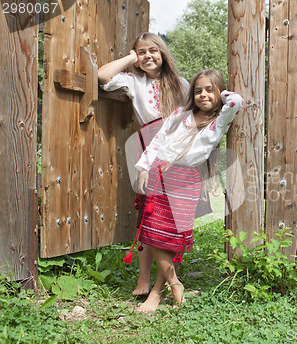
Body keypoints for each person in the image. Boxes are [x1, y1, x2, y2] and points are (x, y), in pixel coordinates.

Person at [134, 69, 243, 312]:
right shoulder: (179, 115)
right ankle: (174, 283)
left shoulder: (217, 122)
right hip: (159, 175)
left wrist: (221, 93)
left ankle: (158, 290)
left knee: (170, 237)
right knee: (153, 232)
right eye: (198, 90)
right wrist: (143, 167)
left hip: (185, 180)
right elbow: (158, 141)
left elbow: (236, 101)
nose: (203, 94)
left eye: (209, 90)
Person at [98, 32, 191, 297]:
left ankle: (169, 280)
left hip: (176, 150)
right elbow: (102, 76)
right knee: (148, 214)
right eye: (142, 52)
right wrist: (130, 57)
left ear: (163, 54)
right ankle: (143, 280)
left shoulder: (181, 84)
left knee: (169, 216)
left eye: (154, 50)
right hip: (149, 147)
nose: (148, 56)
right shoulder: (133, 81)